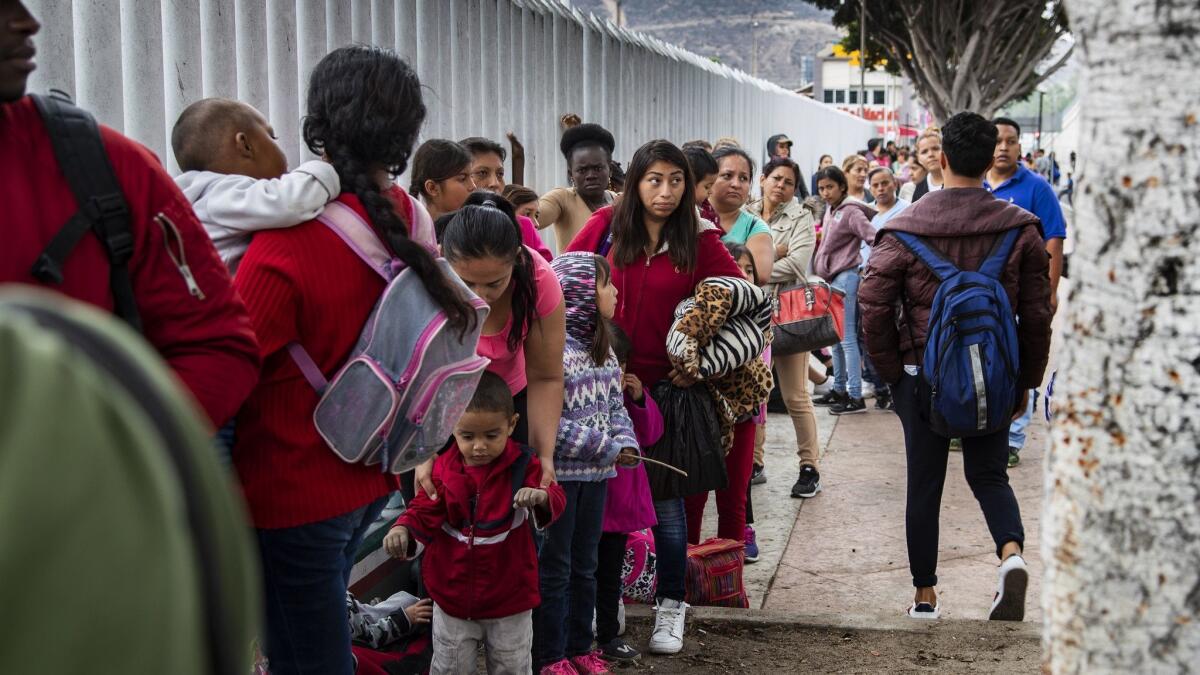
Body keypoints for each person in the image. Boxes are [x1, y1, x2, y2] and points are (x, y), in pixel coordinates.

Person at [232, 46, 480, 675]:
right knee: (323, 642)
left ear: (319, 122)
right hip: (371, 473)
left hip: (290, 494)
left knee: (306, 658)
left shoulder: (287, 242)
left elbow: (228, 363)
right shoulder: (411, 218)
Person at [1, 2, 259, 429]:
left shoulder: (110, 166)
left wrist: (106, 459)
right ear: (242, 144)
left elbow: (219, 346)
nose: (29, 22)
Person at [859, 111, 1052, 622]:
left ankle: (925, 597)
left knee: (925, 483)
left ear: (940, 159)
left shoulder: (902, 229)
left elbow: (872, 308)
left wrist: (893, 378)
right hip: (993, 375)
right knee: (989, 474)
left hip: (923, 377)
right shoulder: (1020, 229)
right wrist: (1025, 383)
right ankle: (1011, 557)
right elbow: (1036, 314)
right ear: (992, 160)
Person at [566, 140, 744, 656]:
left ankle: (672, 606)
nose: (665, 192)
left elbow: (744, 305)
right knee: (607, 507)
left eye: (676, 180)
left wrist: (702, 364)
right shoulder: (604, 227)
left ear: (689, 185)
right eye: (654, 180)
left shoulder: (702, 239)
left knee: (667, 510)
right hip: (603, 391)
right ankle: (608, 605)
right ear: (635, 183)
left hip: (666, 397)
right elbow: (563, 279)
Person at [384, 371, 566, 675]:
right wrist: (402, 528)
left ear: (511, 425)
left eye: (491, 435)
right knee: (449, 668)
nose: (478, 446)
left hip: (510, 599)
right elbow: (423, 509)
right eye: (467, 436)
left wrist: (541, 498)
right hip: (452, 598)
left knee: (512, 667)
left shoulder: (524, 466)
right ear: (449, 429)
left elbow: (554, 495)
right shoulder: (444, 469)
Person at [538, 252, 637, 674]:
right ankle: (550, 655)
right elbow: (551, 427)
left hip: (598, 479)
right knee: (555, 568)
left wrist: (626, 442)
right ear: (580, 293)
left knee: (586, 565)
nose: (614, 291)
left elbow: (617, 406)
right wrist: (607, 447)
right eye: (606, 284)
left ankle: (581, 647)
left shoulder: (605, 352)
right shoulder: (554, 353)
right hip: (560, 481)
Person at [171, 98, 340, 274]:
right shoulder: (221, 196)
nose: (277, 144)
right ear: (245, 145)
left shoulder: (200, 200)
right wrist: (328, 169)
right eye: (272, 136)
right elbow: (290, 202)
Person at [987, 117, 1067, 468]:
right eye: (998, 140)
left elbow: (1054, 238)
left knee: (1023, 359)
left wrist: (1050, 291)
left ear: (1021, 147)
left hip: (1026, 294)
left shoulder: (1036, 188)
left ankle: (1013, 437)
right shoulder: (976, 187)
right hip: (986, 295)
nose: (1004, 146)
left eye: (1011, 141)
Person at [745, 156, 823, 499]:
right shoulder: (745, 211)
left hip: (787, 315)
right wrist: (771, 254)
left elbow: (797, 263)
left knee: (795, 396)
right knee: (754, 395)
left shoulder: (801, 216)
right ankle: (754, 463)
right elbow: (731, 256)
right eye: (776, 178)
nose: (781, 186)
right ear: (763, 179)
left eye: (788, 182)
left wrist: (755, 264)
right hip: (747, 317)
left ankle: (810, 467)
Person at [595, 323, 661, 663]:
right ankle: (584, 629)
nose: (617, 372)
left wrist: (638, 399)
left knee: (609, 571)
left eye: (621, 365)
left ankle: (607, 633)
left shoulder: (628, 398)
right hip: (590, 502)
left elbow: (650, 433)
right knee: (582, 569)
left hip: (618, 507)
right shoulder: (586, 399)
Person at [811, 166, 877, 416]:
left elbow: (874, 237)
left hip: (847, 278)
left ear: (841, 186)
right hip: (832, 279)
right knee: (835, 339)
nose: (825, 192)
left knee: (847, 339)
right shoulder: (831, 210)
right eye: (821, 188)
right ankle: (839, 389)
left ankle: (855, 395)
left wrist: (865, 267)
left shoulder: (850, 211)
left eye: (830, 187)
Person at [724, 241, 765, 561]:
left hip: (744, 416)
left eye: (749, 269)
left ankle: (730, 575)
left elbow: (762, 372)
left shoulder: (760, 314)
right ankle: (689, 573)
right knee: (694, 500)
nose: (744, 274)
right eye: (737, 267)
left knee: (736, 496)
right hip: (706, 415)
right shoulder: (703, 310)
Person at [860, 166, 910, 411]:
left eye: (885, 183)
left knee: (895, 333)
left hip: (898, 282)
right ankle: (879, 385)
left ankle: (895, 388)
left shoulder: (907, 211)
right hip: (870, 281)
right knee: (870, 334)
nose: (881, 189)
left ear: (895, 183)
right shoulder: (866, 212)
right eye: (876, 185)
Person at [459, 136, 552, 261]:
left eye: (500, 174)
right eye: (482, 173)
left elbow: (546, 273)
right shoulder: (445, 228)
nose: (495, 183)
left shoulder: (523, 227)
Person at [537, 123, 618, 250]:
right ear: (571, 174)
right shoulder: (562, 199)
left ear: (610, 170)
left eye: (597, 168)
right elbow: (529, 218)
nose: (591, 175)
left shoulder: (620, 202)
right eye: (582, 170)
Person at [709, 146, 773, 283]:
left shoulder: (755, 228)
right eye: (727, 175)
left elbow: (759, 276)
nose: (736, 184)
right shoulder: (690, 218)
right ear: (709, 178)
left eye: (744, 178)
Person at [408, 139, 476, 220]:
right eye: (462, 179)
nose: (473, 186)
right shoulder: (417, 231)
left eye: (472, 176)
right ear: (432, 188)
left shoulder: (473, 227)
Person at [899, 129, 944, 203]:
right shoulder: (918, 189)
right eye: (924, 152)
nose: (930, 154)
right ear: (919, 158)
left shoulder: (958, 181)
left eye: (935, 148)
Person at [764, 133, 809, 199]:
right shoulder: (768, 169)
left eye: (787, 147)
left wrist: (808, 207)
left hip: (796, 206)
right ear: (772, 149)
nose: (785, 150)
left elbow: (804, 192)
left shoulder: (794, 167)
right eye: (781, 147)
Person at [685, 144, 720, 225]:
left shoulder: (706, 208)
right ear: (689, 184)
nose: (711, 191)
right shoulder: (680, 215)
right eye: (707, 187)